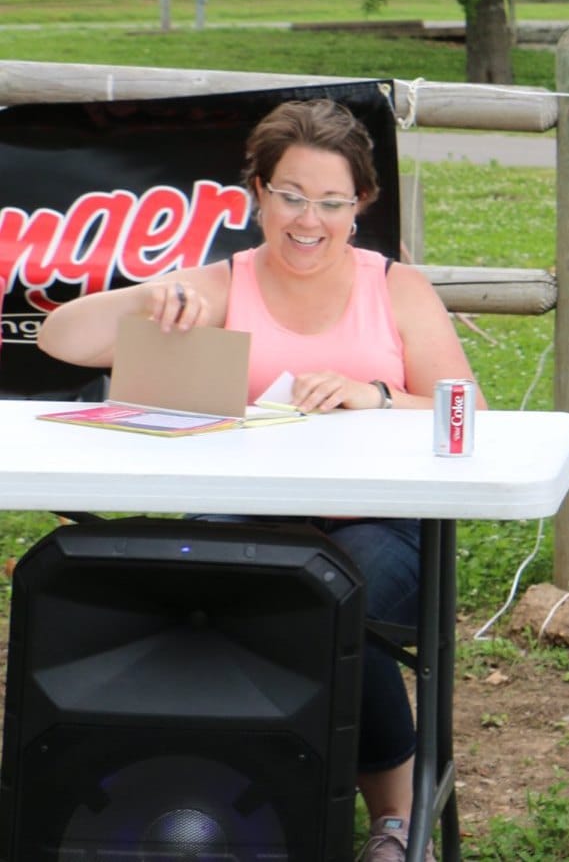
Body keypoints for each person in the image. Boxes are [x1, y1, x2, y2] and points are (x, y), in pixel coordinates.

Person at [39, 98, 476, 862]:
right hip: (251, 518)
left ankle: (397, 819)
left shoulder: (393, 286)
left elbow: (464, 408)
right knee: (195, 583)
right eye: (291, 196)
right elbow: (58, 335)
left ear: (360, 204)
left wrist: (372, 394)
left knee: (340, 590)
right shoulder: (220, 283)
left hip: (383, 525)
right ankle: (220, 786)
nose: (309, 220)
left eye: (332, 202)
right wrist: (147, 301)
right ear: (257, 194)